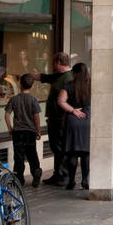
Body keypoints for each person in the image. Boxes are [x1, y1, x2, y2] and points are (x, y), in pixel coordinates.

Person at [57, 62, 92, 192]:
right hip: (87, 120)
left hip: (73, 121)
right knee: (85, 153)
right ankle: (84, 180)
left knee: (72, 152)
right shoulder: (91, 86)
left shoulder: (68, 85)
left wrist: (73, 110)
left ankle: (71, 181)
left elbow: (60, 101)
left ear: (75, 73)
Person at [4, 72, 42, 186]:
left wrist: (10, 128)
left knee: (19, 156)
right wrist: (38, 131)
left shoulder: (14, 99)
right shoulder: (33, 100)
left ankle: (19, 179)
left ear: (20, 85)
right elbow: (36, 117)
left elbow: (6, 114)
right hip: (30, 132)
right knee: (32, 154)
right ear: (32, 86)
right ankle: (36, 172)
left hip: (18, 132)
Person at [40, 51, 71, 185]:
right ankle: (58, 173)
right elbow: (44, 77)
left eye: (54, 62)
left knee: (59, 147)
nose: (53, 65)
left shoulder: (67, 78)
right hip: (55, 118)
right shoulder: (59, 76)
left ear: (58, 63)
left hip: (60, 119)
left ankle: (62, 174)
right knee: (56, 146)